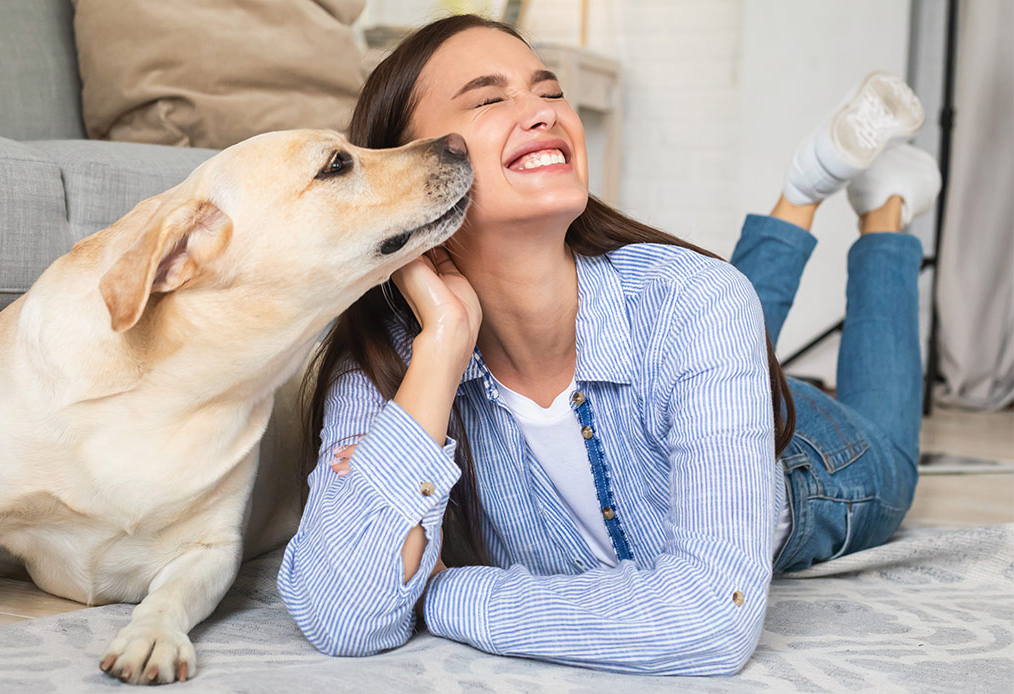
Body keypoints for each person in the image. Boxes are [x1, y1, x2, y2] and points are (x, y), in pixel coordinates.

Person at [276, 14, 941, 675]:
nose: (541, 113)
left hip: (807, 464)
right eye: (488, 98)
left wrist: (444, 593)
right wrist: (443, 343)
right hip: (681, 370)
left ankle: (880, 209)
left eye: (548, 89)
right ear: (406, 171)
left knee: (882, 443)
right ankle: (801, 190)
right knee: (709, 311)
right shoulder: (390, 357)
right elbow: (347, 615)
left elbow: (713, 619)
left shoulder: (689, 300)